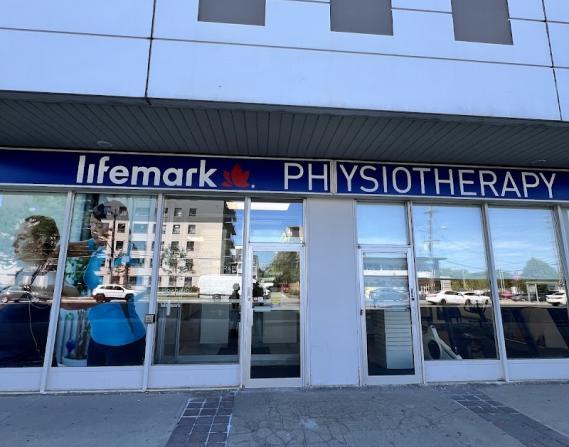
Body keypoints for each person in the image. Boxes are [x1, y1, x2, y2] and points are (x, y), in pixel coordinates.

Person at [66, 201, 146, 366]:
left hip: (123, 341)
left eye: (99, 225)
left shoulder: (126, 253)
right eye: (91, 225)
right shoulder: (100, 246)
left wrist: (66, 302)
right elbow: (65, 250)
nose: (93, 230)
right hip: (97, 338)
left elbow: (109, 294)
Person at [0, 216, 60, 366]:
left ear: (40, 242)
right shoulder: (21, 274)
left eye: (22, 238)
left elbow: (73, 294)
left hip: (26, 368)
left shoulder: (47, 278)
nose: (14, 243)